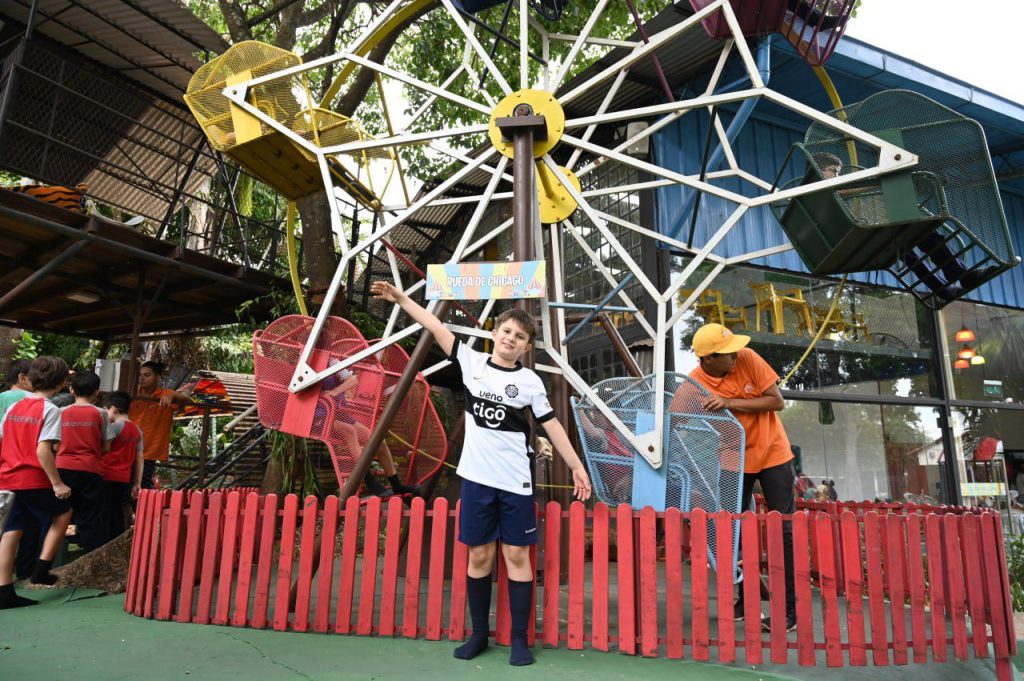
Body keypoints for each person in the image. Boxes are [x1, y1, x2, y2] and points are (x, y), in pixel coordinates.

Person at [371, 280, 591, 666]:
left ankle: (520, 640)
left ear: (526, 347)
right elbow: (436, 326)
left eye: (519, 336)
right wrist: (402, 298)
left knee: (517, 555)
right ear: (494, 333)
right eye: (506, 331)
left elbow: (552, 425)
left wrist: (576, 466)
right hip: (476, 480)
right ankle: (478, 635)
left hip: (516, 482)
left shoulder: (529, 382)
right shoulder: (471, 363)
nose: (510, 339)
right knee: (479, 555)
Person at [678, 323, 796, 632]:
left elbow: (776, 401)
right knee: (734, 531)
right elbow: (673, 419)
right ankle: (746, 599)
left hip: (773, 453)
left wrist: (729, 403)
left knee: (782, 529)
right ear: (708, 359)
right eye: (727, 353)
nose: (735, 355)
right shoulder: (693, 384)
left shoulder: (748, 358)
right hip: (734, 459)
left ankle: (789, 610)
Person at [813, 152, 998, 300]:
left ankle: (948, 285)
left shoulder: (830, 187)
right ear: (818, 169)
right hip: (857, 237)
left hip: (869, 232)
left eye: (838, 172)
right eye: (832, 170)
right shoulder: (814, 187)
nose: (836, 175)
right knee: (917, 239)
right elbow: (840, 192)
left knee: (913, 246)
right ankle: (958, 276)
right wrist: (878, 183)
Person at [0, 356, 72, 608]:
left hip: (7, 477)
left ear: (30, 378)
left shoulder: (14, 408)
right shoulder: (50, 409)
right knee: (64, 512)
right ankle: (42, 568)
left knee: (12, 531)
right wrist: (57, 483)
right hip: (32, 478)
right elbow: (43, 451)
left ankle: (4, 591)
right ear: (61, 384)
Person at [313, 358, 419, 497]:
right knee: (349, 431)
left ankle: (397, 485)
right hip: (320, 416)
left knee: (378, 441)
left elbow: (352, 380)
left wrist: (334, 392)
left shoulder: (332, 362)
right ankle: (370, 482)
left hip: (340, 414)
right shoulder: (307, 365)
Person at [56, 370, 113, 553]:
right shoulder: (101, 413)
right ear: (97, 392)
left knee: (59, 514)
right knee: (91, 517)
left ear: (71, 390)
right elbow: (106, 447)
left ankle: (52, 557)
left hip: (62, 469)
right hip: (91, 469)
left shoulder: (60, 412)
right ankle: (89, 556)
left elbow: (54, 445)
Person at [129, 362, 191, 489]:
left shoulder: (165, 394)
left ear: (157, 378)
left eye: (147, 375)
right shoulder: (132, 393)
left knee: (142, 487)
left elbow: (189, 402)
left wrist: (173, 395)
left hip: (148, 452)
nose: (142, 378)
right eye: (140, 375)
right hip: (127, 448)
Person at [99, 391, 143, 540]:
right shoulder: (137, 430)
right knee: (117, 510)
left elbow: (103, 448)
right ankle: (115, 541)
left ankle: (102, 542)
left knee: (103, 510)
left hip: (106, 475)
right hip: (124, 478)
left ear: (113, 409)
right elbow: (140, 457)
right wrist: (137, 482)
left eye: (105, 410)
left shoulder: (114, 427)